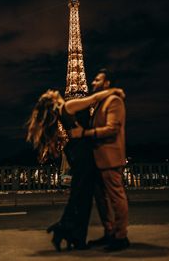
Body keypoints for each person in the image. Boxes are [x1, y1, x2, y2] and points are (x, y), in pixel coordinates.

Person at [27, 86, 125, 251]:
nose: (54, 90)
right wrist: (113, 91)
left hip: (76, 152)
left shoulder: (62, 110)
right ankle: (71, 232)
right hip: (82, 153)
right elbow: (93, 99)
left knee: (80, 196)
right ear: (53, 100)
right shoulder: (68, 106)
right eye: (51, 92)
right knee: (82, 197)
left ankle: (71, 233)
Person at [70, 68, 130, 252]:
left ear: (106, 83)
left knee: (115, 197)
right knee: (103, 200)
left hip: (110, 158)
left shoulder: (113, 101)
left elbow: (112, 129)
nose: (92, 82)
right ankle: (110, 232)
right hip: (98, 159)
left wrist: (84, 133)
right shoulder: (100, 102)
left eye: (97, 80)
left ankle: (121, 237)